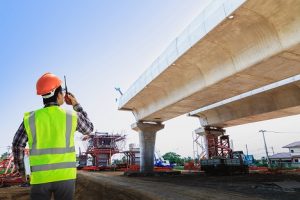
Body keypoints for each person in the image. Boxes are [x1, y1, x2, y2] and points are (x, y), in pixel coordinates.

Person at [12, 72, 94, 200]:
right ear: (59, 94)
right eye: (62, 92)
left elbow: (17, 144)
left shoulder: (31, 118)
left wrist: (23, 171)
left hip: (40, 178)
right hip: (65, 177)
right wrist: (76, 104)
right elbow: (89, 128)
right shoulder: (72, 116)